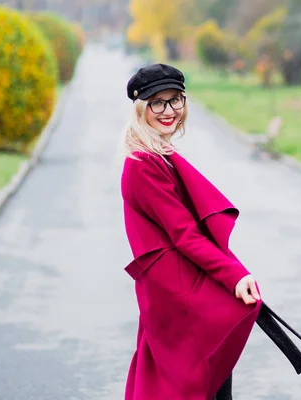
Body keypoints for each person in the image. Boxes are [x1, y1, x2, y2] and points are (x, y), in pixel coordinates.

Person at [120, 63, 263, 400]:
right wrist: (233, 275)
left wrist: (233, 274)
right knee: (191, 384)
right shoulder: (143, 164)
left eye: (176, 100)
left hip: (179, 290)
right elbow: (184, 234)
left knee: (197, 381)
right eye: (157, 102)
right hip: (177, 296)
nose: (169, 111)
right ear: (141, 108)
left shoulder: (159, 156)